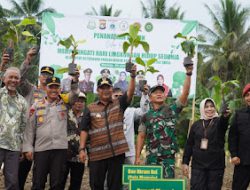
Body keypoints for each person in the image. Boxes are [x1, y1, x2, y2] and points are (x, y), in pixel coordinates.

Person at [79, 65, 137, 190]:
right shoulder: (90, 107)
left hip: (117, 153)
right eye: (102, 88)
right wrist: (82, 149)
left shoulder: (119, 103)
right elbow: (84, 129)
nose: (105, 90)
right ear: (98, 91)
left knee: (115, 186)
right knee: (96, 184)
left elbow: (130, 93)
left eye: (108, 87)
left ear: (111, 89)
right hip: (97, 155)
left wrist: (132, 76)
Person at [135, 64, 193, 178]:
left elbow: (185, 94)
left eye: (161, 92)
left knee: (167, 186)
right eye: (156, 92)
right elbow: (141, 136)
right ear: (150, 97)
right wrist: (137, 157)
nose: (159, 94)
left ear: (165, 96)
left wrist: (188, 74)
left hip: (168, 159)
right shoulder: (145, 116)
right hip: (152, 158)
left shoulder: (172, 110)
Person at [18, 48, 55, 190]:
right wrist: (28, 59)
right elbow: (20, 78)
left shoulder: (55, 95)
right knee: (21, 171)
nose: (45, 77)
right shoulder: (30, 89)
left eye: (48, 75)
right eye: (43, 74)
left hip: (44, 139)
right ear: (39, 76)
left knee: (39, 175)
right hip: (28, 137)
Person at [22, 77, 68, 190]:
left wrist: (74, 79)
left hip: (60, 149)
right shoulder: (36, 105)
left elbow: (75, 94)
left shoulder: (66, 104)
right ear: (45, 88)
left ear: (60, 89)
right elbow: (29, 129)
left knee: (57, 184)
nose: (54, 90)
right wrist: (27, 147)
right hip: (41, 149)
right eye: (51, 87)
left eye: (56, 87)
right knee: (38, 182)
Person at [182, 98, 230, 190]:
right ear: (202, 109)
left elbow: (224, 122)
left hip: (216, 166)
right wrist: (185, 162)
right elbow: (189, 144)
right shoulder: (196, 125)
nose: (209, 109)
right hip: (198, 166)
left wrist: (225, 116)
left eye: (212, 106)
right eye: (206, 107)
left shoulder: (218, 122)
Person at [0, 66, 27, 190]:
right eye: (10, 77)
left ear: (19, 81)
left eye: (16, 78)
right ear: (4, 79)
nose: (13, 80)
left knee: (12, 181)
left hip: (14, 147)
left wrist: (21, 146)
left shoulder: (22, 101)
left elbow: (23, 126)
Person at [61, 92, 86, 190]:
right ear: (72, 102)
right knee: (60, 181)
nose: (79, 103)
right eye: (77, 101)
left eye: (82, 101)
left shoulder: (87, 116)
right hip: (64, 154)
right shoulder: (65, 113)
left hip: (79, 156)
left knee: (76, 183)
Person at [229, 83, 250, 190]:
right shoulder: (239, 115)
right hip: (242, 162)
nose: (249, 98)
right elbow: (232, 137)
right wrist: (234, 155)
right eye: (247, 95)